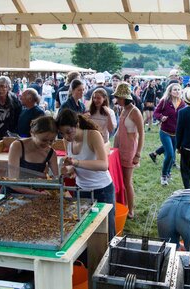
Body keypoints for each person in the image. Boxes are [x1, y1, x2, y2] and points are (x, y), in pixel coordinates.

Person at [57, 109, 116, 239]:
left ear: (77, 124)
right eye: (62, 133)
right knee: (83, 232)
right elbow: (73, 165)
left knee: (106, 232)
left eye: (68, 132)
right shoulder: (67, 141)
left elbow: (103, 165)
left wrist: (76, 162)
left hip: (102, 190)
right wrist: (68, 170)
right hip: (81, 190)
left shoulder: (92, 135)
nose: (66, 137)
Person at [113, 82, 144, 219]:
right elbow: (119, 131)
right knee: (122, 180)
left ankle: (131, 210)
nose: (116, 100)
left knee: (127, 181)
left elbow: (142, 134)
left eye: (118, 97)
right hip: (120, 149)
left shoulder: (135, 111)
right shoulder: (123, 110)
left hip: (130, 150)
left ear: (125, 97)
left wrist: (138, 154)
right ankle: (124, 205)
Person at [8, 116, 59, 194]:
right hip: (11, 194)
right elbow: (13, 183)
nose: (48, 144)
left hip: (34, 196)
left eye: (51, 141)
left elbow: (57, 181)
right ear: (32, 133)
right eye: (44, 140)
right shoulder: (17, 146)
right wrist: (37, 193)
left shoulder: (51, 154)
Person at [154, 83, 185, 186]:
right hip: (165, 132)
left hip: (176, 134)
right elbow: (156, 113)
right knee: (170, 155)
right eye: (174, 90)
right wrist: (161, 117)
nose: (177, 91)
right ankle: (163, 176)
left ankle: (168, 173)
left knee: (171, 156)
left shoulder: (183, 104)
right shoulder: (164, 102)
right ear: (170, 92)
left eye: (178, 90)